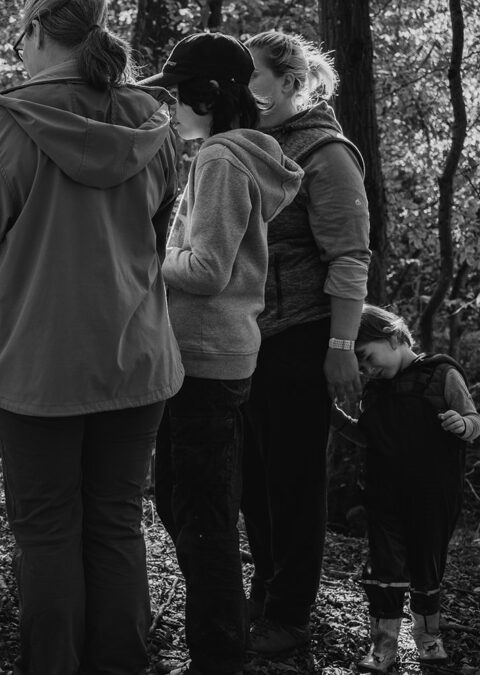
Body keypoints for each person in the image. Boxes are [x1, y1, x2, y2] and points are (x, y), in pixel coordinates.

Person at [0, 0, 183, 670]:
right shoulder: (156, 126)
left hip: (36, 361)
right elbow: (157, 234)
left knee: (47, 529)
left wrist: (13, 291)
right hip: (134, 355)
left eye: (19, 33)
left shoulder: (11, 127)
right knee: (113, 523)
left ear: (38, 34)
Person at [139, 32, 302, 675]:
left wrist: (144, 258)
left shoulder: (221, 161)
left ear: (207, 96)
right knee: (182, 502)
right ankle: (223, 631)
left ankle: (218, 652)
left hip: (206, 357)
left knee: (200, 514)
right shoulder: (229, 155)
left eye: (176, 97)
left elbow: (207, 270)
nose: (170, 110)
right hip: (209, 353)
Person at [240, 30, 372, 656]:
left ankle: (290, 615)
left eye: (254, 76)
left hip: (303, 336)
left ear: (291, 83)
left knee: (291, 480)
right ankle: (265, 590)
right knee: (251, 477)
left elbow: (349, 257)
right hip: (245, 338)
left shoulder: (327, 151)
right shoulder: (249, 142)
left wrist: (341, 347)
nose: (245, 90)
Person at [329, 305, 477, 672]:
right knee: (385, 569)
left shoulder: (441, 374)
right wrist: (333, 416)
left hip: (434, 496)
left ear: (395, 336)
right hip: (385, 497)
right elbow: (368, 437)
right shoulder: (375, 391)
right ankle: (383, 648)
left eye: (366, 356)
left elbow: (474, 420)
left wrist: (463, 423)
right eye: (359, 365)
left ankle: (429, 641)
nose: (365, 369)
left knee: (428, 567)